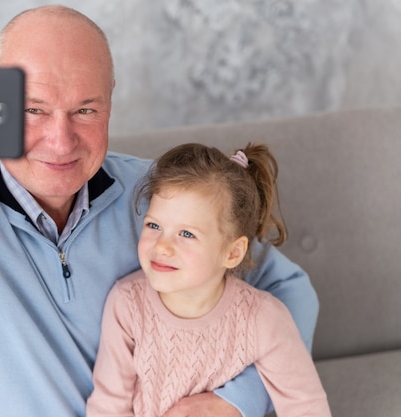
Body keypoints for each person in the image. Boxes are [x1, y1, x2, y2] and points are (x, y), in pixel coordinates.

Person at [0, 5, 319, 417]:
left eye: (85, 110)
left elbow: (285, 289)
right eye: (34, 109)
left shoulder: (157, 199)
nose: (60, 142)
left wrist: (238, 400)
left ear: (110, 104)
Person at [85, 143, 331, 417]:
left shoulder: (263, 318)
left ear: (232, 252)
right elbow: (109, 405)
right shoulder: (126, 304)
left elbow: (304, 405)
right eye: (154, 226)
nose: (162, 246)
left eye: (187, 234)